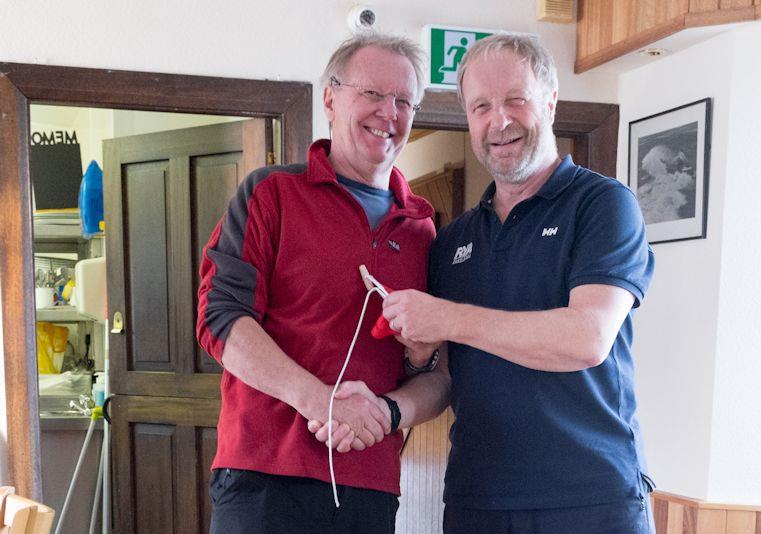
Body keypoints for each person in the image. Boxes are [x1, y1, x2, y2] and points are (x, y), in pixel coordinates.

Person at [381, 34, 657, 533]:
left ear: (550, 102)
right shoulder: (453, 241)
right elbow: (445, 377)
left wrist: (449, 318)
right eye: (481, 106)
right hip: (477, 501)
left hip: (590, 499)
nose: (499, 120)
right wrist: (403, 382)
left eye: (515, 99)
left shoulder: (603, 206)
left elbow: (587, 339)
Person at [196, 32, 449, 534]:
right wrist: (322, 402)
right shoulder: (271, 194)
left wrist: (394, 400)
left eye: (404, 101)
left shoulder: (425, 230)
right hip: (262, 476)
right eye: (373, 93)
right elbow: (220, 320)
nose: (389, 112)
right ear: (330, 98)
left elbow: (441, 376)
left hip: (368, 482)